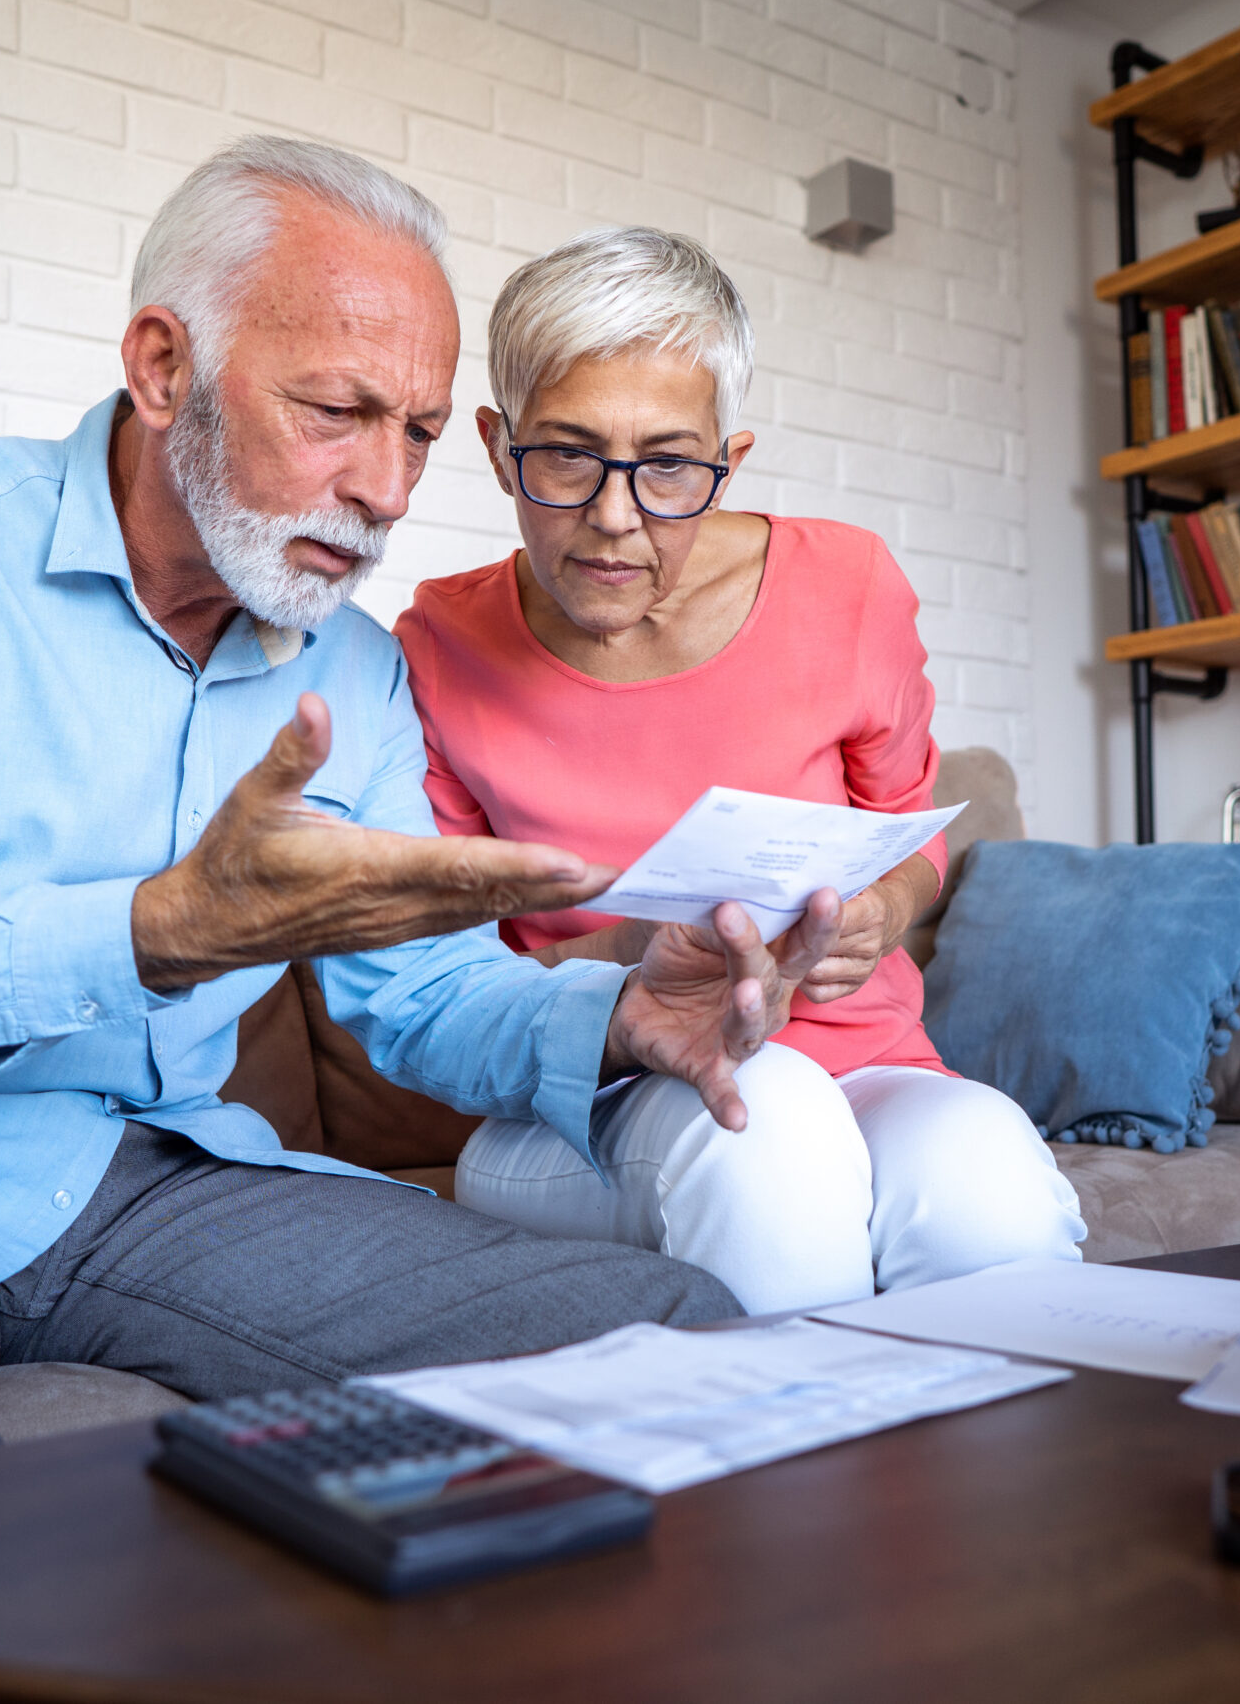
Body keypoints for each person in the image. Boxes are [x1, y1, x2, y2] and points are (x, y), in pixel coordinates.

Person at [0, 141, 841, 1575]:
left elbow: (416, 997)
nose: (386, 487)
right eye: (337, 411)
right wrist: (145, 932)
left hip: (161, 1186)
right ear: (165, 366)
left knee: (678, 1338)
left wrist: (617, 1014)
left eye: (420, 430)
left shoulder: (354, 673)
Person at [394, 228, 1086, 1315]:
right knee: (773, 1127)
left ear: (730, 457)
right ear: (496, 445)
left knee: (987, 1186)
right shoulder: (437, 647)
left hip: (869, 1063)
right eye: (566, 455)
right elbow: (434, 986)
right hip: (590, 1102)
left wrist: (879, 906)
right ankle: (786, 1479)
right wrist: (632, 955)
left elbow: (913, 832)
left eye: (669, 465)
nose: (615, 517)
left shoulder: (847, 589)